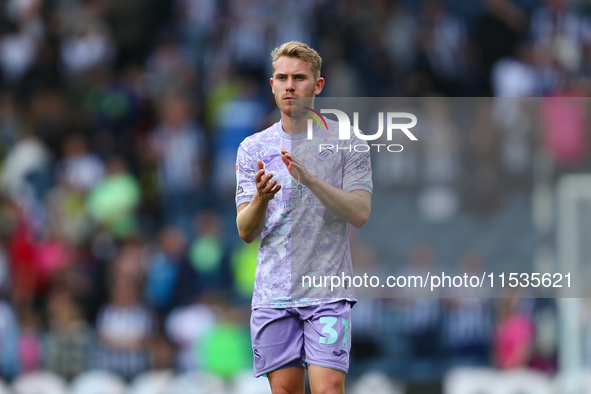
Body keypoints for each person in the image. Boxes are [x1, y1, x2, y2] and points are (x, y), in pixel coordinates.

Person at [235, 41, 372, 394]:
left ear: (318, 85)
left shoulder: (347, 143)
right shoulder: (253, 148)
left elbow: (360, 212)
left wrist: (310, 180)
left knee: (327, 389)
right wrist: (261, 200)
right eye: (281, 77)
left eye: (299, 77)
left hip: (326, 291)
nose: (290, 86)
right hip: (273, 294)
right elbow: (245, 231)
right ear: (272, 84)